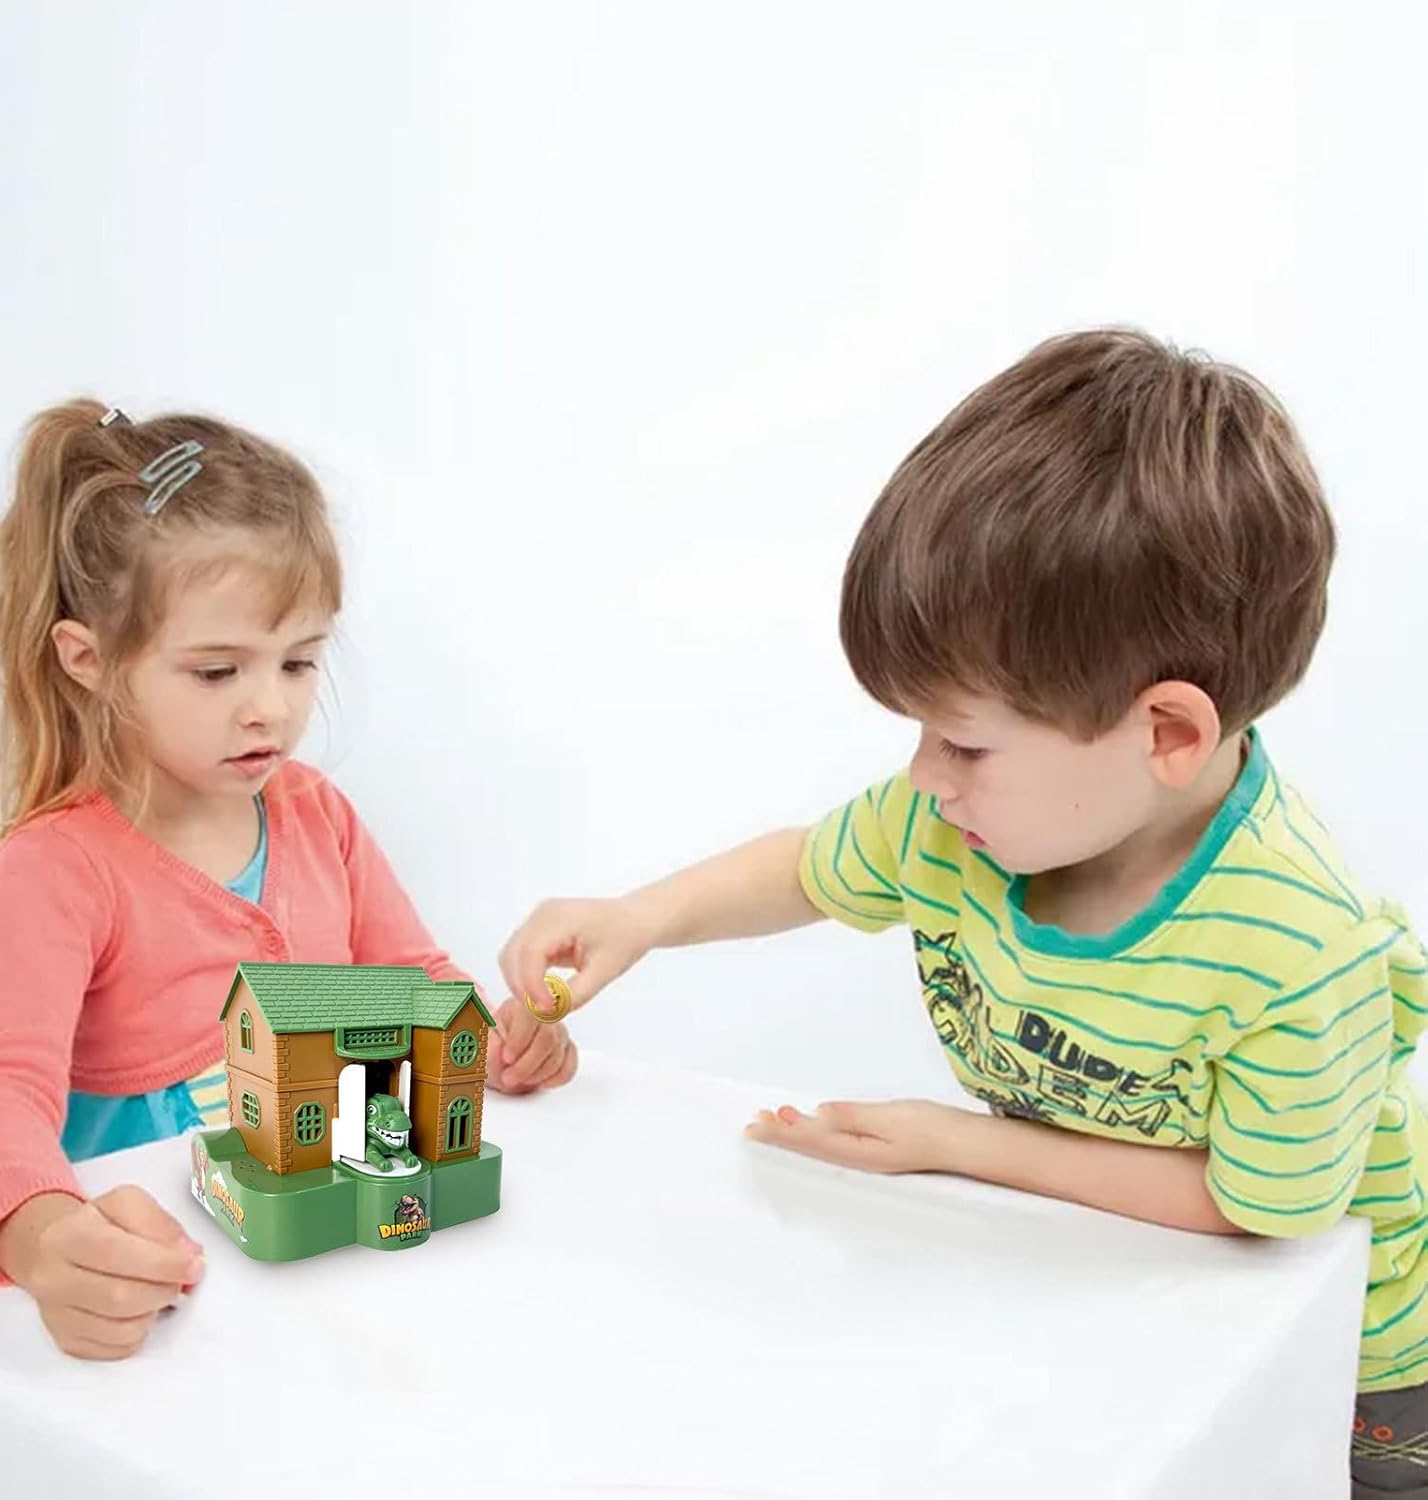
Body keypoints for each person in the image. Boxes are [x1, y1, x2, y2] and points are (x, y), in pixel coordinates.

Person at [499, 329, 1428, 1497]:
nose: (924, 778)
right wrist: (642, 917)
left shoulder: (1299, 947)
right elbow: (811, 868)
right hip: (1114, 1288)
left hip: (1341, 1364)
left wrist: (954, 1144)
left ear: (1167, 734)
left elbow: (1260, 1210)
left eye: (965, 741)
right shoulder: (954, 824)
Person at [0, 399, 576, 1360]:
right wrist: (44, 1239)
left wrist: (494, 1043)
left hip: (334, 1275)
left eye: (299, 662)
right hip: (174, 1297)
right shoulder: (60, 866)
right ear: (89, 660)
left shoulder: (319, 815)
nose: (269, 707)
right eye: (217, 672)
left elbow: (418, 984)